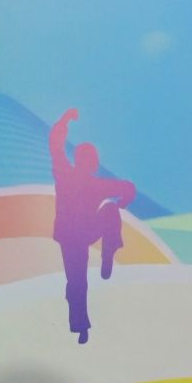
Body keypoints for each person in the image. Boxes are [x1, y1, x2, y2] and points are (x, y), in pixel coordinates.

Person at [48, 109, 137, 344]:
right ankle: (80, 323)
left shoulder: (67, 175)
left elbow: (55, 146)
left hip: (73, 236)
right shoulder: (92, 183)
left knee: (76, 280)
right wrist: (124, 202)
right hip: (77, 237)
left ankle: (108, 251)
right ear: (92, 163)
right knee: (77, 281)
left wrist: (64, 121)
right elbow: (128, 188)